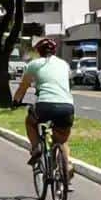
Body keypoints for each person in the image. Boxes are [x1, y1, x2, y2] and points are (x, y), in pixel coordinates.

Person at [13, 38, 75, 176]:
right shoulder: (64, 64)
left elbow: (23, 87)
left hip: (45, 106)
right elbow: (69, 84)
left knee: (30, 121)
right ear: (54, 51)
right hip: (67, 106)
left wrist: (16, 101)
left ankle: (36, 148)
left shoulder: (34, 64)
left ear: (39, 52)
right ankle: (67, 166)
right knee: (62, 139)